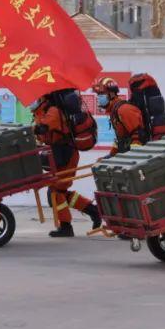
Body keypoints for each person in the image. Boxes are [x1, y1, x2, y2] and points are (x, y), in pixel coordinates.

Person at [31, 91, 102, 238]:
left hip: (66, 154)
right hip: (58, 154)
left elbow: (44, 128)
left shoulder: (53, 111)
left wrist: (32, 129)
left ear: (42, 97)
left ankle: (66, 227)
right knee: (59, 192)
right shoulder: (43, 112)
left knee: (56, 192)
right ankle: (93, 211)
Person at [92, 76, 146, 156]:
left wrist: (134, 157)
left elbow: (138, 135)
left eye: (101, 94)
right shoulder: (114, 111)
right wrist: (111, 155)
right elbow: (120, 138)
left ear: (112, 94)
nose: (99, 97)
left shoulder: (124, 110)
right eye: (98, 94)